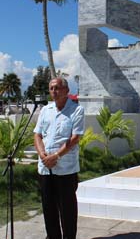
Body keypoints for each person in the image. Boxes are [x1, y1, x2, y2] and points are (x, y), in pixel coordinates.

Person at [34, 77, 85, 239]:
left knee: (67, 210)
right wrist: (42, 155)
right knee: (48, 208)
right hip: (45, 169)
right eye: (51, 88)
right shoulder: (45, 110)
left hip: (65, 169)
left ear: (66, 90)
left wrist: (56, 156)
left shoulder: (76, 110)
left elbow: (75, 138)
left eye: (57, 88)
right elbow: (38, 134)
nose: (53, 92)